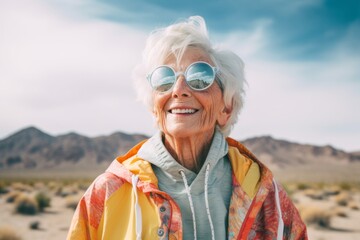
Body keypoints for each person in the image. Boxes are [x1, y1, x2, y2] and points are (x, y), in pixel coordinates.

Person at [67, 16, 307, 240]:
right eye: (165, 79)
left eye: (200, 77)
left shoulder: (262, 191)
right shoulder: (108, 192)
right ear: (154, 107)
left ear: (227, 108)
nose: (179, 89)